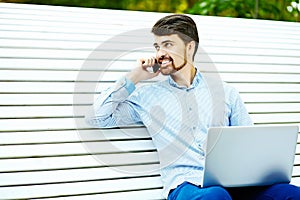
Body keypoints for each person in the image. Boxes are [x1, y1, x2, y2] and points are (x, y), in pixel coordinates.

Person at [85, 14, 300, 200]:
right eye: (157, 46)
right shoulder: (146, 96)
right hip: (186, 187)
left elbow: (251, 145)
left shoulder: (225, 93)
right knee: (216, 196)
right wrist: (135, 76)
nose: (160, 53)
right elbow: (96, 117)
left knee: (290, 193)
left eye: (168, 45)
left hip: (235, 186)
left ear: (190, 47)